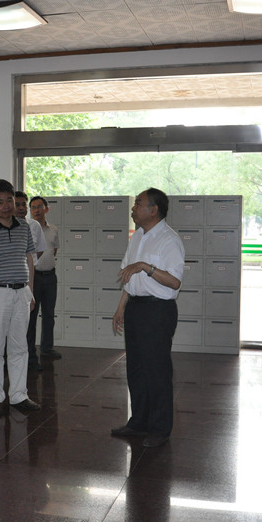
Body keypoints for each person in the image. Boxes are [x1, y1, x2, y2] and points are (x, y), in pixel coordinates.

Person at [111, 188, 185, 448]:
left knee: (157, 370)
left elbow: (174, 282)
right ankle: (139, 422)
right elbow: (128, 277)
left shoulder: (169, 239)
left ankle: (160, 428)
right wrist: (121, 307)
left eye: (138, 204)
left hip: (157, 311)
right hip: (136, 308)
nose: (133, 208)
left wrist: (145, 266)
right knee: (136, 369)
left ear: (153, 210)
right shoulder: (138, 236)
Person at [0, 179, 42, 416]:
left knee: (20, 347)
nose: (6, 206)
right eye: (0, 202)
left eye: (9, 200)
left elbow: (29, 259)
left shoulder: (24, 226)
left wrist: (30, 291)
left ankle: (19, 395)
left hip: (21, 292)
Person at [27, 195, 61, 369]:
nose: (36, 210)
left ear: (46, 209)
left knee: (49, 314)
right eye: (33, 207)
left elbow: (54, 251)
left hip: (50, 277)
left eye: (39, 207)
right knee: (32, 316)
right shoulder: (28, 228)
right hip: (35, 277)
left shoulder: (53, 229)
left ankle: (47, 348)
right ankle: (30, 351)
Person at [14, 190, 46, 260]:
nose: (21, 208)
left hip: (30, 266)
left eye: (24, 204)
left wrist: (31, 262)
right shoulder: (5, 226)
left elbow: (40, 249)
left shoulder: (35, 225)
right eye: (17, 205)